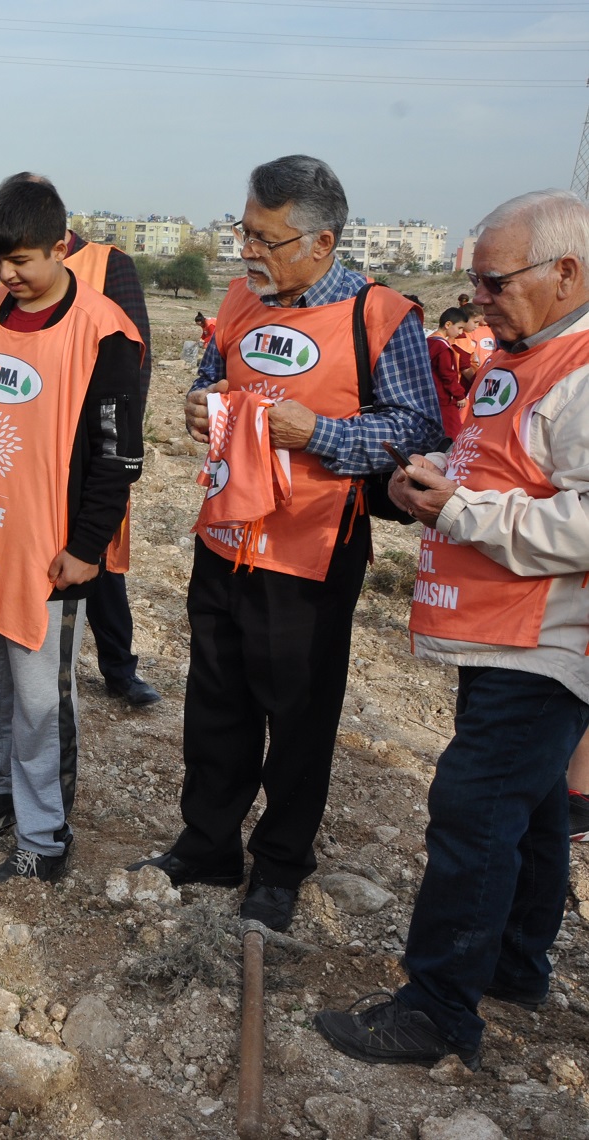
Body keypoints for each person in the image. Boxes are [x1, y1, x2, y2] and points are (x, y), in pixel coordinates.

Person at [316, 189, 589, 1069]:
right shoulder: (529, 353)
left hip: (544, 642)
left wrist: (463, 511)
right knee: (533, 808)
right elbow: (504, 467)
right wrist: (426, 484)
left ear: (566, 273)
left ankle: (436, 1011)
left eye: (492, 280)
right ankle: (514, 966)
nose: (475, 297)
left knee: (473, 813)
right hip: (500, 632)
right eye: (472, 279)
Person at [133, 155, 442, 933]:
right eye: (244, 231)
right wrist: (200, 405)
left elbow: (419, 431)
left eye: (265, 238)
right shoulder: (240, 299)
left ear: (321, 240)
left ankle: (279, 866)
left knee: (300, 719)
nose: (248, 251)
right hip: (226, 534)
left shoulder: (380, 317)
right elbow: (210, 374)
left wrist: (323, 433)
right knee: (215, 705)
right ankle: (206, 844)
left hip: (310, 549)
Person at [0, 177, 144, 881]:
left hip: (47, 551)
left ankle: (45, 832)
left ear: (61, 247)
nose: (6, 275)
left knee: (39, 693)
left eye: (22, 261)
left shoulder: (104, 330)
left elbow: (119, 454)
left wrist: (87, 545)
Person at [43, 184, 161, 709]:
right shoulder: (16, 277)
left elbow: (137, 356)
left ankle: (118, 667)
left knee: (100, 553)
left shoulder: (108, 263)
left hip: (92, 444)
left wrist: (119, 447)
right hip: (35, 447)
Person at [425, 306, 474, 441]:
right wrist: (459, 395)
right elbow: (448, 375)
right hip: (445, 398)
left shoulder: (428, 341)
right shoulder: (443, 347)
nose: (460, 332)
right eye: (459, 328)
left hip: (431, 396)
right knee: (453, 435)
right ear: (448, 324)